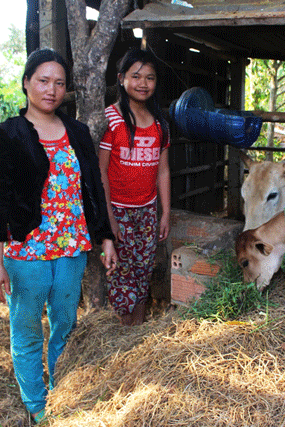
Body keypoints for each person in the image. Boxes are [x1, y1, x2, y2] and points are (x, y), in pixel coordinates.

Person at [0, 48, 117, 423]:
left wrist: (105, 237)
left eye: (59, 83)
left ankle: (61, 393)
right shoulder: (6, 135)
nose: (51, 90)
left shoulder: (76, 132)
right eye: (43, 80)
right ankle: (37, 407)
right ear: (26, 83)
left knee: (65, 324)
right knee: (27, 329)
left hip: (71, 247)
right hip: (26, 251)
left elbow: (92, 187)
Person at [99, 48, 171, 326]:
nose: (143, 83)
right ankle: (121, 328)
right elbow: (102, 172)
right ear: (121, 79)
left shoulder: (160, 124)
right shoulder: (112, 120)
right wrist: (109, 219)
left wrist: (164, 212)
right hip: (119, 209)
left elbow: (163, 170)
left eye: (150, 78)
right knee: (120, 271)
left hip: (147, 210)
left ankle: (137, 328)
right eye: (136, 76)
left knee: (143, 268)